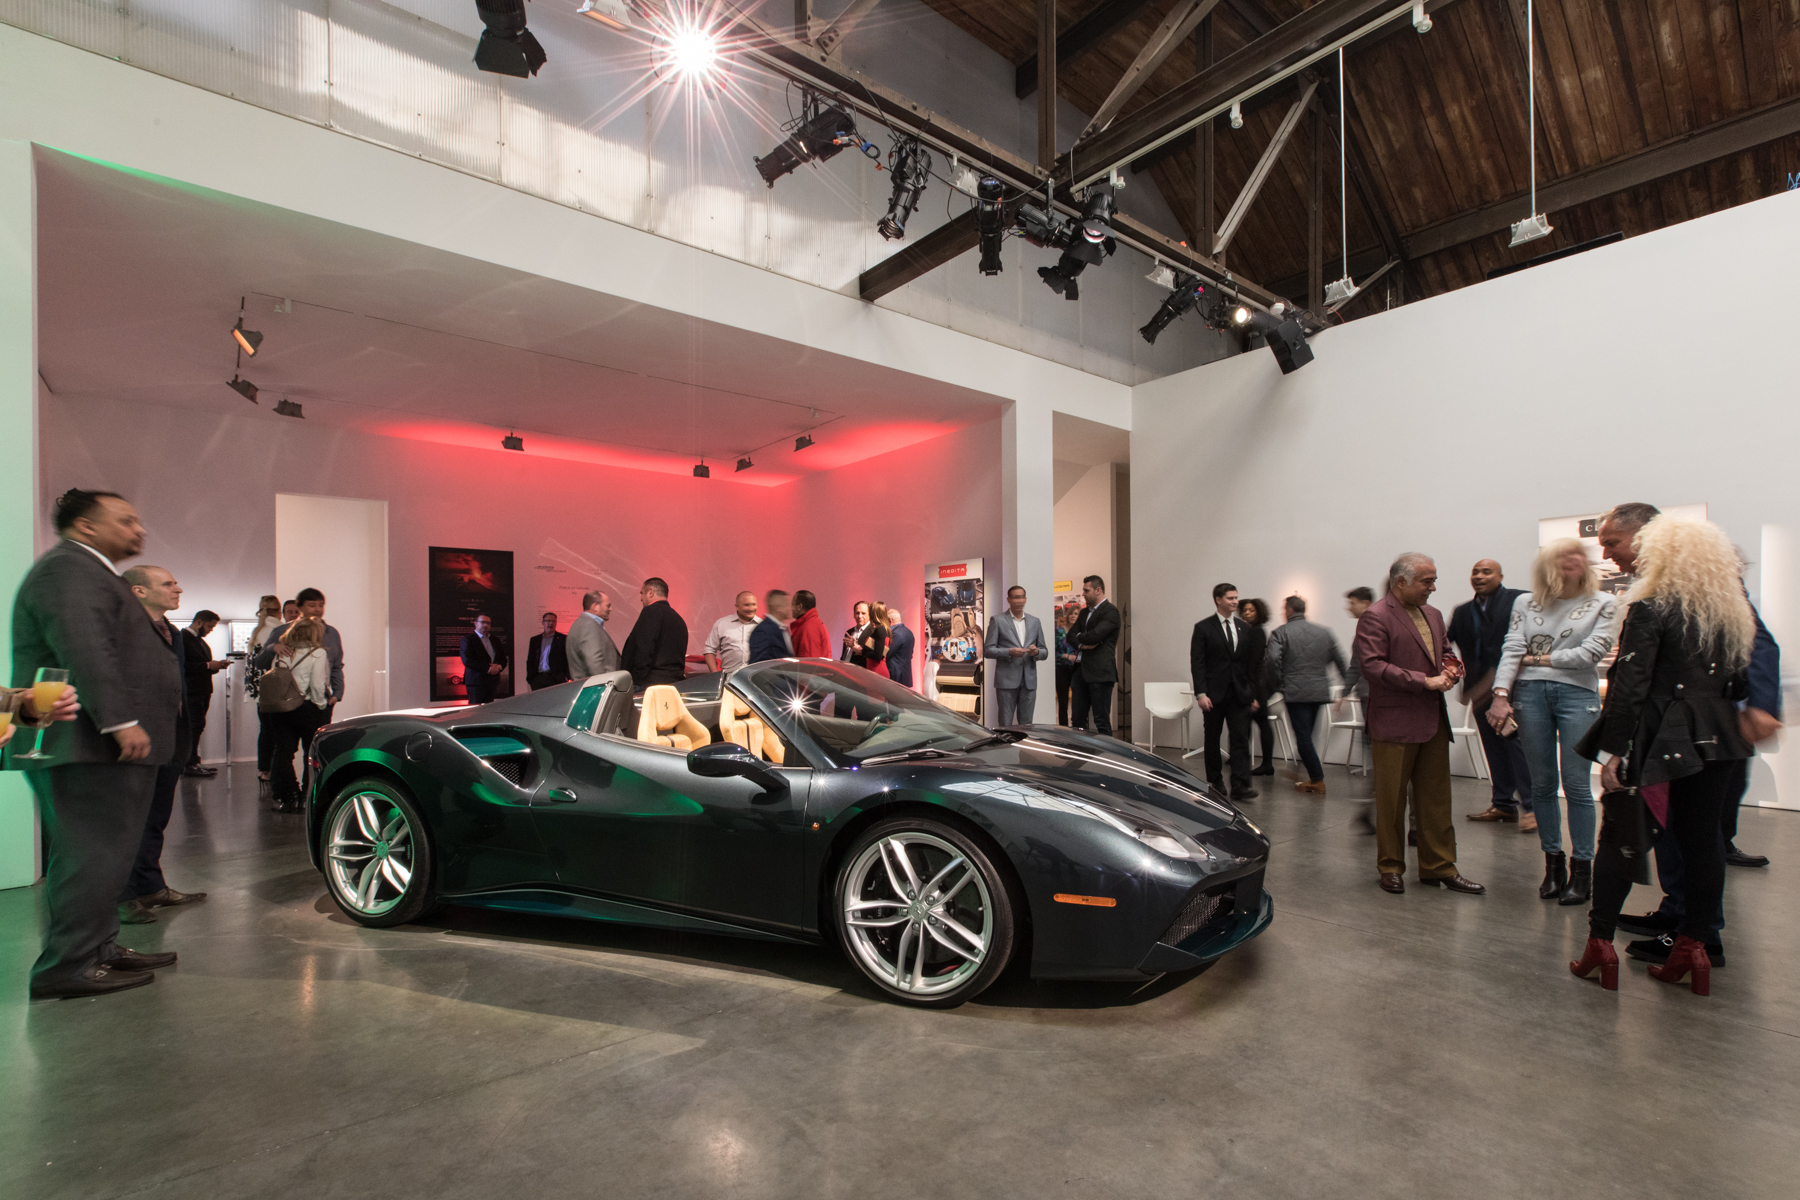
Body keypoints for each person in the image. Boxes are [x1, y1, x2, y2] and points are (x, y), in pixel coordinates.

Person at [10, 489, 183, 999]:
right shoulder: (68, 569)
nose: (139, 529)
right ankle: (67, 964)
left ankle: (98, 948)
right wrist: (119, 721)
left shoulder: (89, 570)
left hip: (96, 744)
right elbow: (85, 648)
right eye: (126, 520)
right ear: (86, 527)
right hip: (85, 742)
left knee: (105, 855)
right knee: (90, 854)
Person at [1571, 516, 1755, 996]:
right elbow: (1738, 683)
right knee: (1703, 841)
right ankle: (1694, 948)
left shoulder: (1649, 607)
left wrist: (1614, 750)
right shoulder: (1730, 613)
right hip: (1718, 736)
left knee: (1621, 834)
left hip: (1659, 735)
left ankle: (1600, 945)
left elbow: (1630, 687)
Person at [1487, 541, 1617, 905]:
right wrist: (1500, 695)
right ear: (1547, 565)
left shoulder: (1604, 603)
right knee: (1542, 784)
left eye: (1579, 556)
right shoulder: (1525, 603)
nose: (1573, 561)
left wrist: (1537, 658)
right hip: (1528, 696)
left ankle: (1582, 870)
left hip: (1578, 695)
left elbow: (1590, 655)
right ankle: (1553, 866)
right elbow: (1512, 648)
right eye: (1563, 557)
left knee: (1577, 786)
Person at [1356, 553, 1484, 896]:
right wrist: (1424, 681)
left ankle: (1439, 867)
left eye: (1433, 580)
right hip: (1393, 723)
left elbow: (1444, 651)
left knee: (1436, 801)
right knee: (1391, 803)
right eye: (1426, 581)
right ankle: (1391, 867)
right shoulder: (1376, 616)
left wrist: (1452, 667)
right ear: (1401, 582)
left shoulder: (1434, 615)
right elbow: (1373, 666)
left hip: (1432, 722)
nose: (1433, 587)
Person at [119, 565, 208, 924]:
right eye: (168, 583)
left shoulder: (172, 632)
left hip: (171, 738)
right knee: (128, 821)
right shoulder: (123, 628)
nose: (178, 588)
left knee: (156, 818)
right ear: (139, 591)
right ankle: (123, 896)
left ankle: (151, 885)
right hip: (136, 740)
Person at [1450, 560, 1535, 828]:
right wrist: (1451, 671)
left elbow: (1529, 640)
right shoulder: (1463, 611)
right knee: (1494, 748)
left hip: (1513, 687)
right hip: (1479, 691)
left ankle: (1532, 808)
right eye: (1475, 571)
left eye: (1486, 571)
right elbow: (1446, 644)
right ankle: (1503, 805)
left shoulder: (1519, 600)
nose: (1479, 576)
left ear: (1500, 575)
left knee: (1516, 746)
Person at [1265, 595, 1350, 795]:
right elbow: (1340, 660)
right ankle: (1300, 770)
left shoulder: (1280, 632)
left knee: (1303, 737)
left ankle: (1317, 779)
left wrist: (1280, 682)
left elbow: (1271, 660)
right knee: (1308, 735)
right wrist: (1346, 687)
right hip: (1319, 690)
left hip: (1295, 692)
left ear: (1289, 610)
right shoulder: (1324, 632)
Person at [1190, 583, 1262, 802]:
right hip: (1214, 694)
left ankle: (1241, 784)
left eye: (1236, 597)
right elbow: (1198, 663)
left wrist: (1252, 694)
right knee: (1212, 738)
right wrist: (1201, 693)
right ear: (1218, 600)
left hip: (1239, 694)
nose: (1235, 602)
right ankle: (1216, 781)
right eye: (1230, 598)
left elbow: (1251, 665)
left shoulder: (1244, 628)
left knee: (1240, 738)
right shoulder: (1204, 628)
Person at [251, 587, 344, 723]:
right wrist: (273, 647)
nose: (317, 610)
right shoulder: (282, 631)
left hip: (319, 700)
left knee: (315, 742)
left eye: (320, 605)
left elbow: (336, 666)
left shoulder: (331, 633)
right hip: (285, 700)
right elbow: (259, 663)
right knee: (283, 743)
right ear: (300, 607)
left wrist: (337, 693)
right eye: (312, 605)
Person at [268, 618, 332, 813]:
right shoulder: (317, 653)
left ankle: (288, 796)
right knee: (311, 753)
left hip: (280, 709)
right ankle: (307, 797)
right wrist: (322, 705)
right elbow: (317, 685)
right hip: (307, 708)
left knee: (283, 752)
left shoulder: (282, 653)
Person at [984, 586, 1049, 725]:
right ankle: (1006, 746)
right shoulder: (998, 620)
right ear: (1008, 600)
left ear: (1025, 599)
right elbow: (988, 650)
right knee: (1005, 723)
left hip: (1029, 681)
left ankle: (1023, 747)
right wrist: (1009, 652)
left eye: (1021, 597)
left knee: (1027, 725)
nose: (1019, 600)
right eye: (1015, 597)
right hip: (1006, 681)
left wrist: (1036, 652)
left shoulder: (1035, 622)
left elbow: (1044, 651)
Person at [1068, 576, 1121, 738]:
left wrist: (1081, 637)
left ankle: (1107, 759)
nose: (1083, 594)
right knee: (1077, 721)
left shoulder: (1111, 612)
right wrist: (1081, 644)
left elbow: (1095, 636)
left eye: (1086, 590)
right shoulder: (1084, 612)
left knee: (1101, 720)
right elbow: (1070, 636)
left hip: (1101, 673)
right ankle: (1079, 757)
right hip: (1080, 672)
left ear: (1098, 590)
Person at [180, 609, 227, 777]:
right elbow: (182, 666)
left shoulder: (200, 641)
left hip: (202, 690)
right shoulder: (183, 639)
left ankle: (193, 762)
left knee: (198, 726)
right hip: (192, 691)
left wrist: (215, 666)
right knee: (193, 726)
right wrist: (208, 666)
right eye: (209, 626)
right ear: (199, 622)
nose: (210, 630)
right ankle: (189, 763)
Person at [621, 577, 688, 689]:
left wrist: (636, 681)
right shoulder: (679, 620)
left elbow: (644, 648)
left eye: (642, 593)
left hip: (650, 685)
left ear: (650, 592)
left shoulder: (650, 611)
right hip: (675, 685)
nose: (641, 598)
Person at [1237, 597, 1277, 775]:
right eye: (1245, 610)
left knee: (1261, 723)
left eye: (1251, 610)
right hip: (1253, 684)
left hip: (1255, 686)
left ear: (1259, 612)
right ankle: (1242, 758)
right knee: (1248, 724)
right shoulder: (1249, 631)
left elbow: (1253, 664)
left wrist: (1251, 693)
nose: (1247, 613)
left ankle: (1267, 764)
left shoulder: (1256, 632)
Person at [248, 595, 284, 781]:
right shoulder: (277, 631)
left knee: (266, 729)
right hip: (273, 689)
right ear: (279, 610)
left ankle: (264, 769)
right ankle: (270, 769)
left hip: (259, 691)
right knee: (275, 731)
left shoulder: (257, 631)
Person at [566, 591, 621, 679]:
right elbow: (594, 663)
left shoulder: (584, 623)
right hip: (597, 690)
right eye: (607, 605)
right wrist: (605, 686)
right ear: (595, 606)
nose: (611, 609)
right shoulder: (588, 626)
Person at [704, 591, 760, 673]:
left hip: (756, 678)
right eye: (746, 605)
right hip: (729, 679)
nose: (751, 608)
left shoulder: (764, 626)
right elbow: (709, 650)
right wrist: (715, 675)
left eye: (753, 604)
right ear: (737, 606)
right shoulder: (722, 624)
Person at [459, 613, 508, 705]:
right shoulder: (468, 639)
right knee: (475, 711)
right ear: (475, 623)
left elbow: (503, 659)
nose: (486, 625)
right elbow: (467, 660)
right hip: (476, 682)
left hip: (492, 681)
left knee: (489, 710)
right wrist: (488, 669)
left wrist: (499, 667)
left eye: (488, 623)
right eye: (483, 622)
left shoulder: (495, 640)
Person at [525, 612, 571, 690]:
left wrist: (566, 677)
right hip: (538, 678)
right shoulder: (535, 640)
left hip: (556, 678)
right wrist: (531, 678)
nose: (550, 623)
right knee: (539, 701)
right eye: (548, 621)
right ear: (543, 623)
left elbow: (568, 658)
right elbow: (530, 660)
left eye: (553, 621)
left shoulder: (562, 639)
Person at [749, 590, 795, 663]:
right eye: (787, 605)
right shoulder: (762, 631)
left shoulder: (780, 628)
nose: (790, 608)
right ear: (778, 607)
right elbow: (757, 664)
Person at [789, 590, 832, 658]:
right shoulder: (812, 623)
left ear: (800, 607)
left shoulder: (809, 627)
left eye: (793, 604)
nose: (791, 608)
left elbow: (810, 663)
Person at [1054, 604, 1078, 725]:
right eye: (1072, 613)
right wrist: (1067, 656)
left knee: (1078, 702)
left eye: (1076, 614)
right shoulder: (1059, 631)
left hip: (1077, 669)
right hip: (1062, 669)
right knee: (1063, 701)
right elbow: (1054, 652)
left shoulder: (1080, 633)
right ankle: (1063, 729)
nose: (1073, 616)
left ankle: (1076, 729)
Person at [859, 602, 894, 679]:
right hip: (876, 670)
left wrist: (861, 651)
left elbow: (878, 656)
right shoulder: (885, 629)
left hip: (876, 670)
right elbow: (881, 653)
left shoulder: (880, 629)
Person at [886, 604, 916, 687]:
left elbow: (887, 653)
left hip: (896, 676)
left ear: (890, 620)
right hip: (904, 676)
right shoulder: (909, 632)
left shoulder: (895, 634)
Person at [842, 601, 872, 666]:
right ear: (854, 615)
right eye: (857, 613)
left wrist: (854, 644)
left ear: (869, 615)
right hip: (845, 670)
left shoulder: (873, 632)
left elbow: (873, 653)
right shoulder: (849, 632)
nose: (860, 616)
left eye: (863, 613)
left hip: (860, 672)